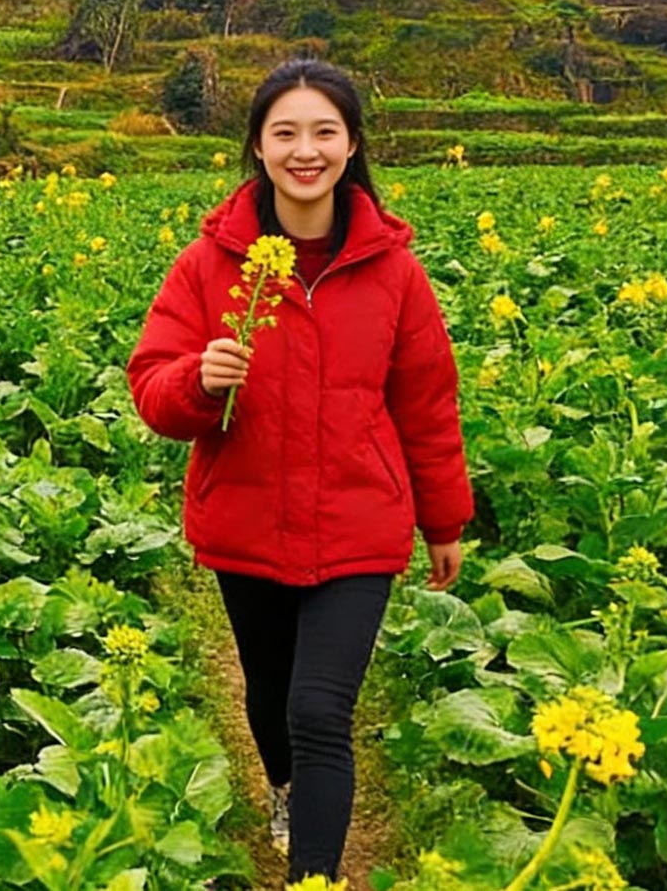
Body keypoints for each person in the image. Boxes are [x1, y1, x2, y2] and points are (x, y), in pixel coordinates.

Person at [124, 58, 473, 883]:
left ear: (352, 146)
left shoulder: (394, 270)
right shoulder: (210, 265)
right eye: (285, 132)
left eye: (324, 131)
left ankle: (312, 875)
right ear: (257, 145)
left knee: (320, 709)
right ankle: (280, 784)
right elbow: (152, 386)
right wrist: (199, 382)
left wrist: (444, 521)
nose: (304, 150)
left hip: (359, 525)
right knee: (272, 698)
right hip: (246, 520)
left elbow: (428, 403)